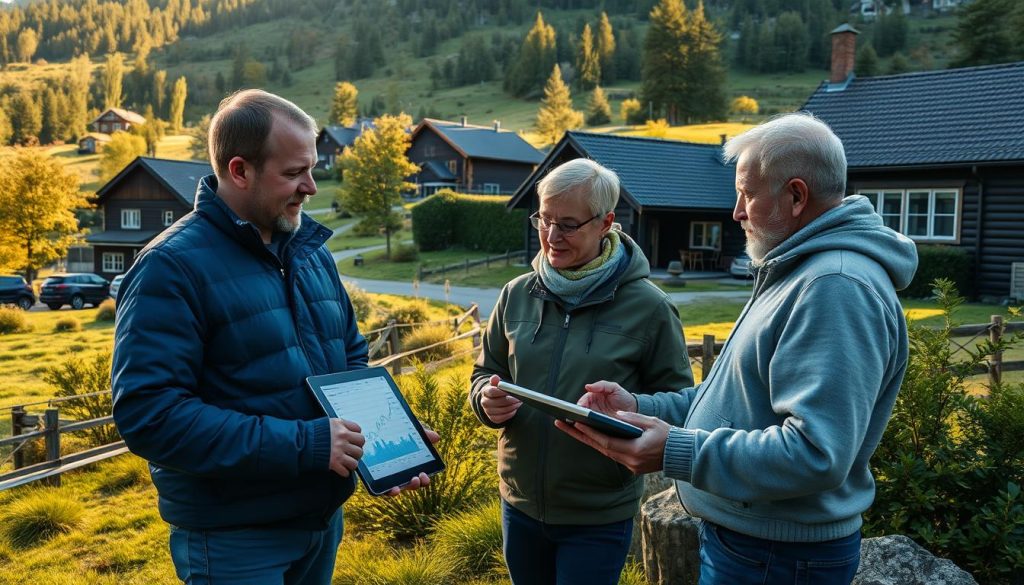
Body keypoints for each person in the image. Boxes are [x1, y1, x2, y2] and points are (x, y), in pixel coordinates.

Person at [557, 113, 919, 585]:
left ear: (795, 196)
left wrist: (677, 452)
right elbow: (733, 399)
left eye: (746, 193)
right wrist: (639, 406)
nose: (736, 211)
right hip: (758, 545)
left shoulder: (835, 286)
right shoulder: (797, 269)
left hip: (778, 557)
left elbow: (815, 452)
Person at [111, 89, 436, 585]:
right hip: (235, 539)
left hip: (320, 523)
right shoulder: (170, 268)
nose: (311, 187)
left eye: (311, 170)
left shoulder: (311, 252)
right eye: (293, 173)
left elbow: (349, 357)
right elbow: (150, 414)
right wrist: (307, 444)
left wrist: (386, 447)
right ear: (239, 171)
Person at [470, 158, 693, 585]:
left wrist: (629, 411)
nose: (551, 237)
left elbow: (679, 403)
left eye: (568, 224)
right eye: (544, 219)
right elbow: (484, 373)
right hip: (518, 503)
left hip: (598, 512)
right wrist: (486, 401)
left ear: (606, 222)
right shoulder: (515, 294)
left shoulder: (651, 308)